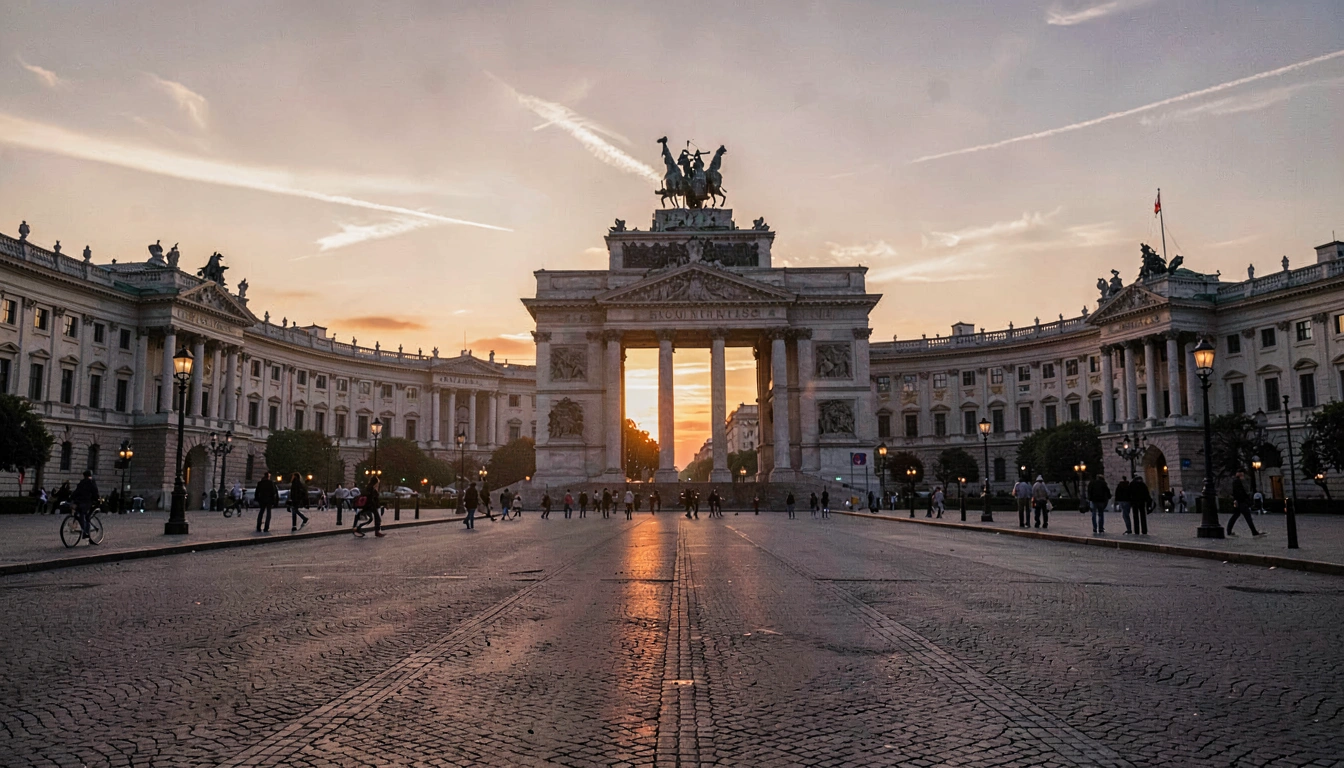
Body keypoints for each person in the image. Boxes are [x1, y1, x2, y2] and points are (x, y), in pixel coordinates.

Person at [1228, 471, 1264, 537]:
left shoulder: (1236, 482)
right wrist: (1246, 501)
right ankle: (1254, 532)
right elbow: (1240, 493)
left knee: (1235, 516)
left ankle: (1229, 531)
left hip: (1239, 502)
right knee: (1247, 517)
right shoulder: (1237, 482)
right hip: (1241, 502)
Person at [71, 470, 99, 540]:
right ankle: (86, 532)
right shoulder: (91, 482)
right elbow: (95, 493)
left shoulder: (81, 483)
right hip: (87, 502)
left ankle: (86, 532)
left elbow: (76, 492)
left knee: (82, 515)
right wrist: (97, 499)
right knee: (86, 516)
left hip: (80, 502)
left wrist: (71, 498)